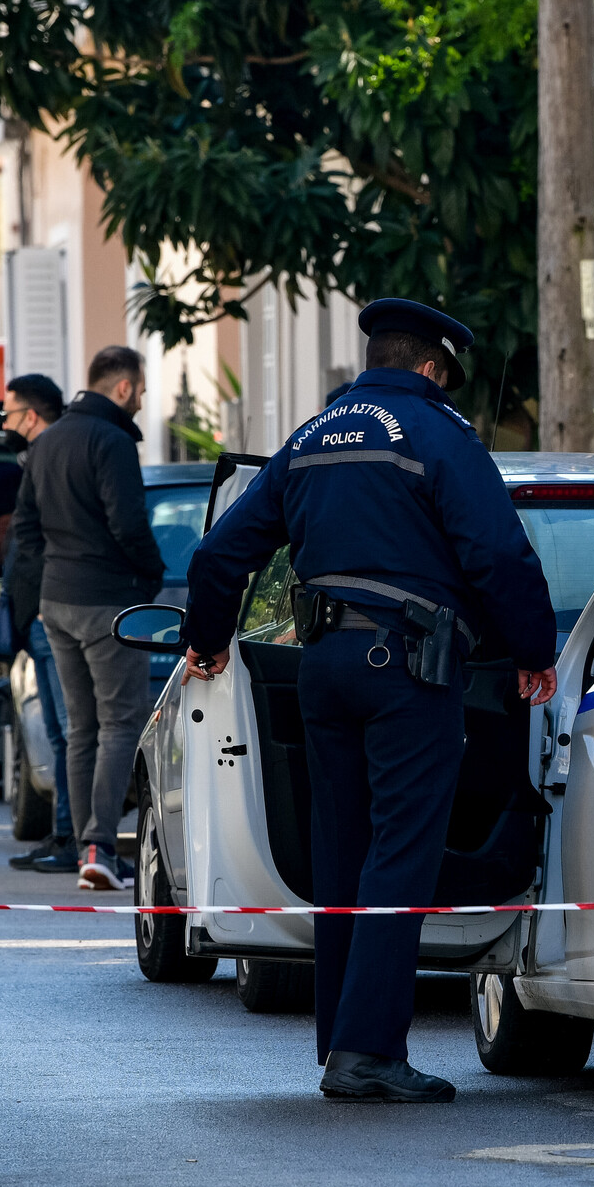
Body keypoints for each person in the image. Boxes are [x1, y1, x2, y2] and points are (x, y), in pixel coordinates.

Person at [181, 299, 558, 1104]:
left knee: (343, 853)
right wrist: (532, 650)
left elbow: (218, 553)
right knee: (400, 853)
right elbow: (497, 554)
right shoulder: (437, 434)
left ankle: (342, 1045)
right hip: (407, 669)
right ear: (432, 367)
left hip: (322, 666)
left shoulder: (311, 438)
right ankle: (369, 1053)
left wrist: (207, 639)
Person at [13, 348, 165, 891]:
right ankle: (100, 846)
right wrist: (151, 578)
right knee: (121, 723)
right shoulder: (112, 441)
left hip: (57, 603)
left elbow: (24, 530)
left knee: (82, 729)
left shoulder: (47, 441)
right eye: (140, 389)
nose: (141, 400)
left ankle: (87, 850)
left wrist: (46, 586)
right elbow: (129, 524)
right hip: (108, 602)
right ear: (122, 387)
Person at [0, 375, 76, 872]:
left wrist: (46, 602)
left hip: (52, 616)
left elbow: (57, 536)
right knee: (57, 733)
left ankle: (75, 839)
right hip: (39, 617)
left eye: (7, 414)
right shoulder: (38, 458)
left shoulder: (52, 459)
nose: (3, 424)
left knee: (69, 733)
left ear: (30, 416)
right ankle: (63, 832)